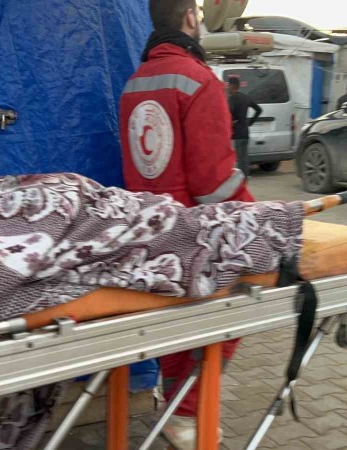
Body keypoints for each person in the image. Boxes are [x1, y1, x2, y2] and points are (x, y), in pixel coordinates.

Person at [118, 0, 254, 447]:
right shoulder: (199, 80)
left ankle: (177, 407)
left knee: (176, 326)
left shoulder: (135, 83)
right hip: (193, 234)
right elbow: (212, 182)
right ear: (191, 18)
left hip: (148, 231)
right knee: (237, 307)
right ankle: (187, 412)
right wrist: (260, 217)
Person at [228, 76, 262, 178]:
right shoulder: (246, 97)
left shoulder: (232, 99)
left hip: (235, 133)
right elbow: (259, 110)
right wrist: (250, 122)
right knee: (244, 158)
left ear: (232, 86)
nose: (228, 87)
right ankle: (245, 178)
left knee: (237, 160)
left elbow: (229, 113)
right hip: (245, 132)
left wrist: (231, 122)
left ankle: (239, 180)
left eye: (228, 85)